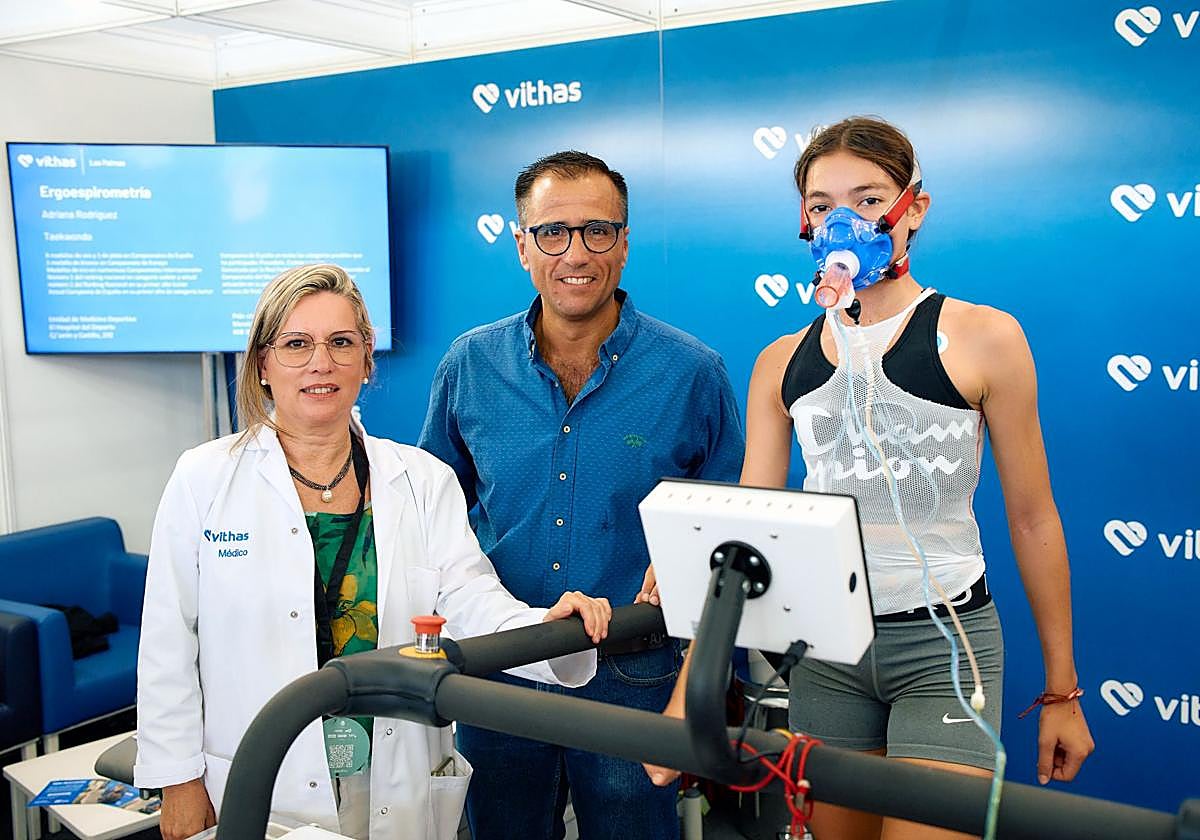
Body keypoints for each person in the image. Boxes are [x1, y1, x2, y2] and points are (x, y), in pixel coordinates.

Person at [646, 117, 1094, 840]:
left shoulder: (986, 337)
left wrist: (1061, 689)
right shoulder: (780, 363)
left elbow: (1033, 518)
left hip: (946, 642)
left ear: (913, 208)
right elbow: (745, 543)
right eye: (822, 204)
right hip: (830, 653)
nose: (841, 221)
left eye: (867, 198)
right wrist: (685, 697)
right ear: (803, 220)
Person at [134, 264, 613, 840]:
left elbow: (467, 597)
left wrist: (542, 629)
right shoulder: (205, 478)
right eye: (296, 344)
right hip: (264, 777)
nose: (321, 363)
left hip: (393, 774)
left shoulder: (420, 478)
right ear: (263, 364)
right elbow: (167, 640)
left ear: (366, 360)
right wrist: (177, 781)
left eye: (341, 343)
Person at [418, 151, 744, 840]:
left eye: (598, 231)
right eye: (552, 232)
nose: (576, 252)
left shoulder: (692, 374)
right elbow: (431, 524)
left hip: (635, 678)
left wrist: (712, 682)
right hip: (499, 670)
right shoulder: (469, 365)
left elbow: (728, 544)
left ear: (624, 244)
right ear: (522, 246)